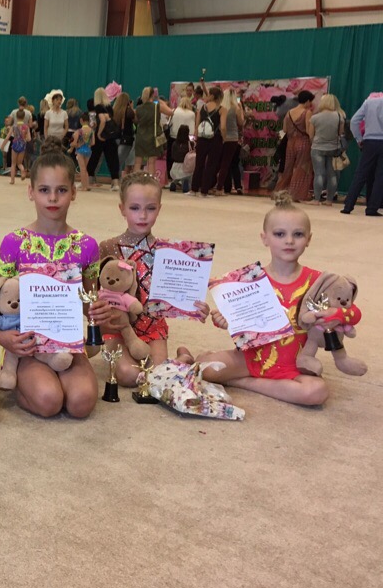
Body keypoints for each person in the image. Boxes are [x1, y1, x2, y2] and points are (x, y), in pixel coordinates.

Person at [0, 138, 111, 418]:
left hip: (66, 342)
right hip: (27, 344)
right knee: (49, 401)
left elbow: (88, 301)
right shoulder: (14, 243)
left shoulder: (87, 246)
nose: (53, 198)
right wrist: (4, 338)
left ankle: (53, 378)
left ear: (74, 192)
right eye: (44, 190)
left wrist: (98, 312)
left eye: (62, 190)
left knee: (81, 403)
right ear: (31, 192)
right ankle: (23, 383)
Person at [181, 193, 329, 406]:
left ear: (309, 239)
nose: (289, 241)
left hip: (295, 364)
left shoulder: (317, 282)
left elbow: (330, 326)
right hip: (252, 357)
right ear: (264, 238)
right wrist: (227, 320)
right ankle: (226, 368)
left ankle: (242, 382)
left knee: (316, 392)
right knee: (207, 369)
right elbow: (239, 321)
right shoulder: (248, 280)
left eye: (298, 234)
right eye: (279, 234)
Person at [99, 172, 201, 385]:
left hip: (152, 325)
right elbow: (96, 291)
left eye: (151, 208)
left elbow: (180, 291)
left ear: (159, 209)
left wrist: (195, 306)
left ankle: (182, 358)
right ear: (122, 209)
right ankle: (178, 362)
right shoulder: (107, 247)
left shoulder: (169, 252)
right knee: (128, 375)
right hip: (118, 325)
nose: (143, 215)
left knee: (157, 375)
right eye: (135, 208)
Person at [341, 93, 383, 216]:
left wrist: (359, 139)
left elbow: (354, 121)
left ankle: (348, 206)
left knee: (360, 174)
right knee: (380, 177)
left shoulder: (369, 102)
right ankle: (372, 209)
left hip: (369, 141)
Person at [274, 91, 315, 202]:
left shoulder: (289, 112)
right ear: (307, 101)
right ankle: (296, 194)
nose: (310, 104)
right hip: (303, 142)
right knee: (302, 168)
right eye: (310, 101)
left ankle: (280, 192)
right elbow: (309, 131)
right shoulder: (307, 112)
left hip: (290, 142)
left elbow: (285, 129)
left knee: (287, 168)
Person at [307, 94, 346, 206]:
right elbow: (340, 133)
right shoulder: (339, 116)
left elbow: (310, 135)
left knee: (319, 174)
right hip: (333, 148)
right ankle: (329, 200)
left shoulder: (315, 117)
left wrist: (315, 142)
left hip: (317, 147)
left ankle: (316, 199)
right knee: (332, 175)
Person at [190, 86, 224, 198]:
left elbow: (197, 125)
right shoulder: (222, 109)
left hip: (202, 138)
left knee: (199, 163)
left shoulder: (202, 108)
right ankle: (204, 190)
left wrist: (196, 136)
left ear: (212, 96)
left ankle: (194, 189)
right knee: (210, 165)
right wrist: (224, 137)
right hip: (215, 138)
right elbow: (223, 127)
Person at [212, 89, 245, 195]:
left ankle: (211, 185)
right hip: (232, 138)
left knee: (217, 163)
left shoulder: (220, 108)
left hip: (221, 138)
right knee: (226, 164)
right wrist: (241, 110)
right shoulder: (236, 108)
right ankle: (220, 187)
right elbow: (241, 122)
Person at [132, 87, 164, 177]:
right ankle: (150, 180)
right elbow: (170, 112)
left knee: (138, 161)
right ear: (153, 95)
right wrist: (158, 100)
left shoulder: (138, 108)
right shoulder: (156, 106)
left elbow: (136, 121)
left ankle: (135, 180)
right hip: (153, 136)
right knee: (151, 162)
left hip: (140, 136)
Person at [86, 87, 111, 186]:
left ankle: (90, 179)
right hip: (107, 136)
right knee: (100, 159)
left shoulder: (95, 109)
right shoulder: (109, 108)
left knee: (94, 158)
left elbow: (92, 124)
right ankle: (93, 178)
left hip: (97, 136)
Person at [113, 92, 135, 176]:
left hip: (115, 138)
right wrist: (131, 107)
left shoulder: (114, 111)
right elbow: (135, 120)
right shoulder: (129, 111)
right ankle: (117, 179)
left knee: (116, 161)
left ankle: (115, 179)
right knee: (119, 162)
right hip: (126, 138)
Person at [71, 112, 94, 192]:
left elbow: (74, 143)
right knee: (85, 169)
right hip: (88, 150)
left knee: (82, 169)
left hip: (80, 150)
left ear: (81, 120)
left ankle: (84, 187)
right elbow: (93, 143)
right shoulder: (91, 130)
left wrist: (73, 145)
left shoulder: (79, 131)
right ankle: (86, 185)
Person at [169, 124, 194, 193]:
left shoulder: (174, 143)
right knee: (188, 175)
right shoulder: (190, 144)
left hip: (175, 167)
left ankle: (174, 183)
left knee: (177, 177)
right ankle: (185, 182)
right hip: (186, 167)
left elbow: (172, 156)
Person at [9, 107, 31, 185]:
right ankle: (22, 170)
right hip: (22, 145)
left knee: (13, 163)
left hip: (15, 144)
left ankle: (12, 180)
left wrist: (3, 145)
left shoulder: (14, 126)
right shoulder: (26, 127)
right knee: (19, 163)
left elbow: (9, 136)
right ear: (24, 117)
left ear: (16, 116)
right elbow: (29, 139)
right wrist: (24, 138)